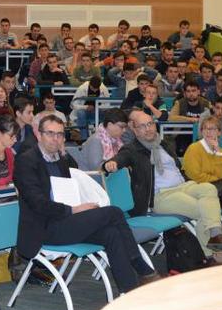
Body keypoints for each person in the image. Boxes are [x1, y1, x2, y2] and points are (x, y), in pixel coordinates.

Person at [14, 114, 159, 294]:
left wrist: (77, 208)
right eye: (50, 133)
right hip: (44, 228)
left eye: (59, 134)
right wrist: (74, 209)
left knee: (111, 233)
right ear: (39, 135)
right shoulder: (26, 161)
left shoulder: (59, 159)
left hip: (65, 221)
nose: (55, 138)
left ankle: (128, 291)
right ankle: (142, 267)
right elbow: (37, 203)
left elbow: (67, 191)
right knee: (113, 212)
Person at [104, 110, 222, 256]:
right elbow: (121, 158)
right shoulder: (132, 149)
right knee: (204, 210)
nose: (148, 128)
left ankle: (215, 237)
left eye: (150, 124)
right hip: (162, 196)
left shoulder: (163, 144)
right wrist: (112, 163)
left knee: (209, 189)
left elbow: (177, 168)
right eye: (142, 126)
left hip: (184, 186)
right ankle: (208, 254)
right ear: (135, 130)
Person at [183, 115, 222, 234]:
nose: (209, 132)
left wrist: (217, 153)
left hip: (218, 189)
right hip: (197, 187)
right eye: (205, 128)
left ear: (219, 132)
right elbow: (195, 175)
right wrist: (216, 180)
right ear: (201, 131)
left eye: (213, 129)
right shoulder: (194, 148)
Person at [70, 76, 109, 140]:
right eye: (92, 88)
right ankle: (84, 139)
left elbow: (107, 104)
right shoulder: (82, 88)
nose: (94, 90)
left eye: (96, 89)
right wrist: (86, 107)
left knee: (108, 113)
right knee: (80, 113)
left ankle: (103, 138)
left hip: (98, 111)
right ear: (89, 84)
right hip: (84, 112)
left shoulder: (103, 88)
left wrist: (97, 107)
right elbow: (73, 104)